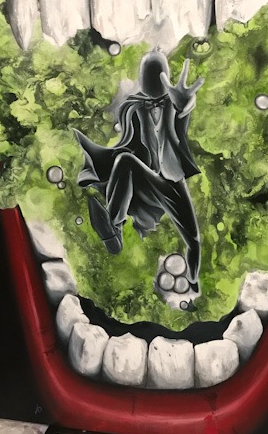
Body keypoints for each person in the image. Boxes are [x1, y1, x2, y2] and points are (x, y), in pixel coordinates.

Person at [74, 51, 204, 290]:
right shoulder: (133, 107)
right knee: (124, 160)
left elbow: (184, 111)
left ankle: (194, 282)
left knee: (193, 240)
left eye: (157, 75)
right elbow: (127, 144)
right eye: (148, 75)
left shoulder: (174, 103)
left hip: (173, 180)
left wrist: (184, 103)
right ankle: (114, 226)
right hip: (147, 176)